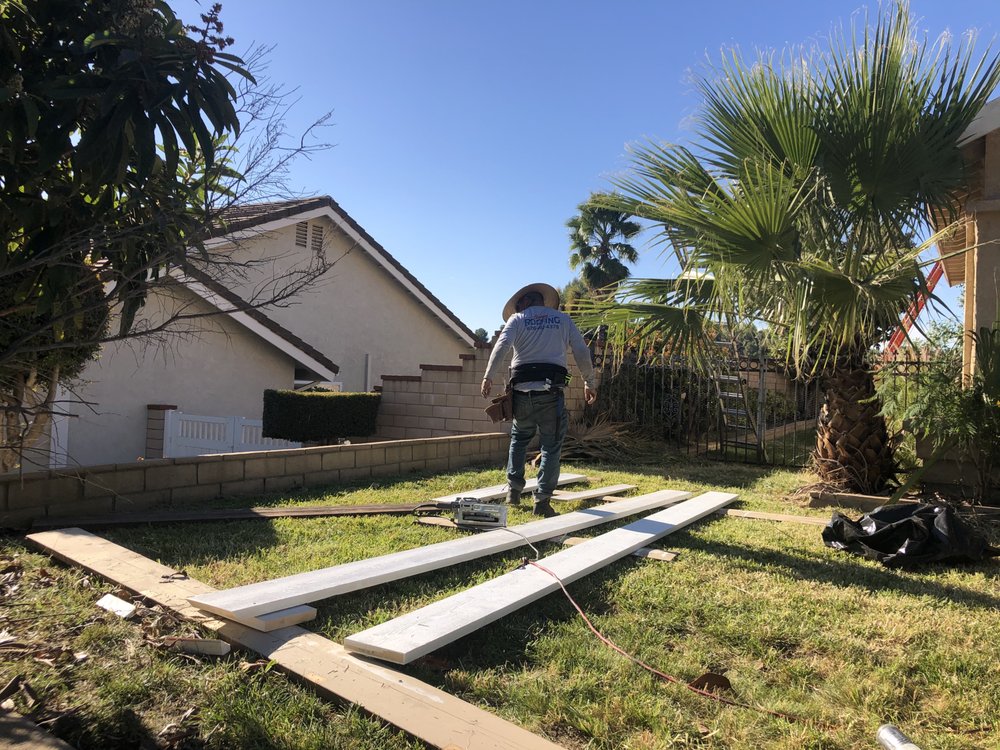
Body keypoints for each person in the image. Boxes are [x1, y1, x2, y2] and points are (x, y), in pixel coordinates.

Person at [481, 282, 597, 517]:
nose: (517, 309)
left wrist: (488, 377)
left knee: (519, 439)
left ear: (525, 302)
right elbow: (581, 351)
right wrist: (589, 382)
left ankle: (513, 492)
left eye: (519, 305)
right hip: (550, 394)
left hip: (521, 393)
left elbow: (501, 348)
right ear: (542, 301)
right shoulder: (562, 320)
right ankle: (542, 502)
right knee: (551, 446)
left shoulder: (517, 320)